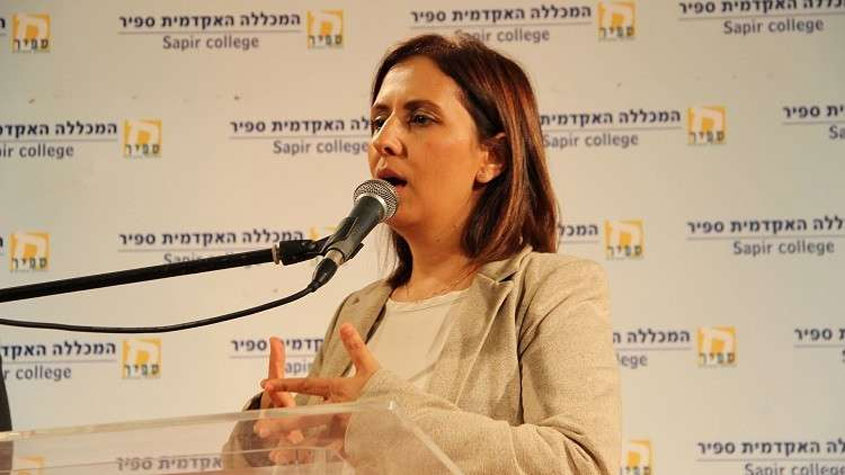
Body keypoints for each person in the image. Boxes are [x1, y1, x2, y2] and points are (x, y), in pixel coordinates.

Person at [225, 33, 620, 473]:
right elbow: (308, 452)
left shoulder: (549, 289)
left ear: (492, 157)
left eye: (420, 118)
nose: (384, 140)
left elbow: (581, 462)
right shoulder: (357, 310)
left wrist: (382, 418)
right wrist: (263, 435)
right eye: (378, 121)